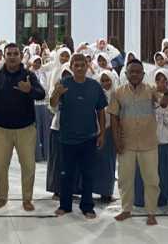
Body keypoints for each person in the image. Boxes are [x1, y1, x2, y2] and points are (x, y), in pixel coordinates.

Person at [109, 60, 168, 226]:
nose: (135, 74)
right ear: (126, 74)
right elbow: (114, 118)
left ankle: (151, 212)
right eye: (132, 72)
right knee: (125, 179)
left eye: (138, 72)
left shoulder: (151, 91)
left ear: (143, 74)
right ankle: (126, 210)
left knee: (152, 180)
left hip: (148, 143)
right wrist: (116, 140)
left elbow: (164, 103)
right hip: (126, 143)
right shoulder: (118, 93)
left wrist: (167, 92)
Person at [0, 43, 45, 211]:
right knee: (0, 167)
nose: (12, 57)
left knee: (28, 166)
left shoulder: (28, 75)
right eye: (9, 54)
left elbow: (41, 94)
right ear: (4, 56)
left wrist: (29, 90)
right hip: (1, 129)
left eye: (15, 54)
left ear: (20, 56)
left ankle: (27, 199)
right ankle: (2, 197)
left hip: (25, 129)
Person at [51, 53, 106, 219]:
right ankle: (65, 205)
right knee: (66, 174)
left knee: (88, 174)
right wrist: (57, 93)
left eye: (83, 65)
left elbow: (101, 111)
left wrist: (102, 133)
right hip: (67, 138)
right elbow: (52, 105)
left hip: (88, 137)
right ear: (71, 67)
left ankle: (87, 206)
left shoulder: (94, 86)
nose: (80, 68)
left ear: (87, 66)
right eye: (76, 65)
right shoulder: (64, 84)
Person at [134, 69, 168, 212]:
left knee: (162, 172)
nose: (161, 83)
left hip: (164, 141)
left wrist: (164, 108)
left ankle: (160, 200)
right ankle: (141, 199)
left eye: (165, 80)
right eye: (158, 80)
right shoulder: (147, 96)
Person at [46, 65, 74, 198]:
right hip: (58, 128)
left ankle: (69, 190)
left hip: (74, 130)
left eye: (69, 75)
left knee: (71, 162)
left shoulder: (77, 88)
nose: (66, 78)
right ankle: (57, 190)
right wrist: (58, 93)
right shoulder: (57, 89)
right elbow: (53, 107)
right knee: (58, 161)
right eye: (64, 76)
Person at [93, 70, 119, 203]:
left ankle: (107, 192)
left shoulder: (117, 95)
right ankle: (99, 190)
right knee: (98, 163)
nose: (105, 83)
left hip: (111, 132)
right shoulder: (96, 95)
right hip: (97, 131)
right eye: (102, 81)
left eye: (108, 80)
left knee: (109, 163)